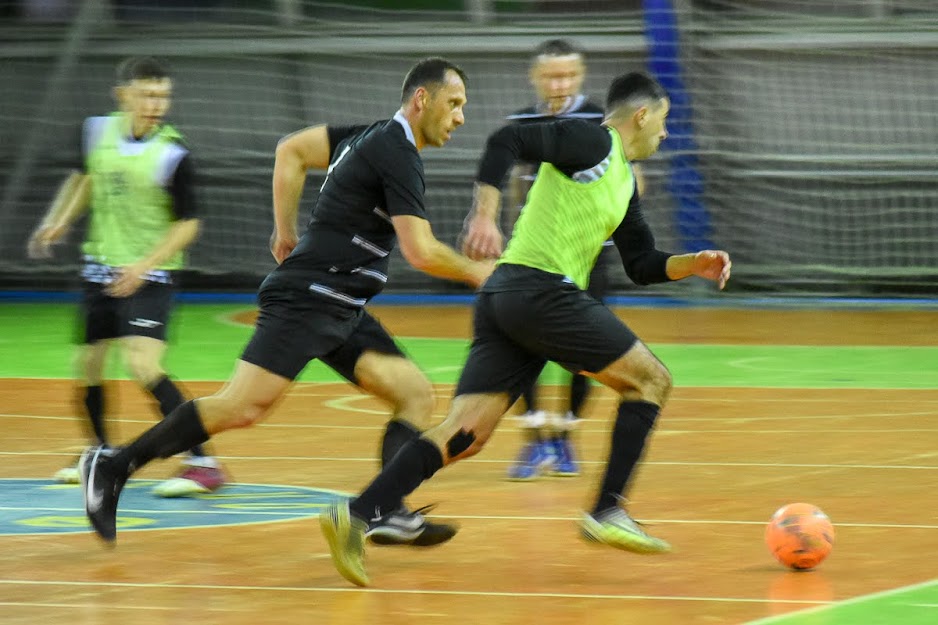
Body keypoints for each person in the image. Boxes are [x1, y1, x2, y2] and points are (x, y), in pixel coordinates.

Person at [320, 71, 732, 587]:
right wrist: (486, 214)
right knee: (651, 381)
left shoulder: (624, 182)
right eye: (665, 121)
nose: (666, 134)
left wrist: (692, 263)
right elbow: (507, 139)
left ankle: (357, 513)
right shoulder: (593, 140)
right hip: (541, 290)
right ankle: (608, 510)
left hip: (506, 299)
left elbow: (642, 262)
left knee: (464, 434)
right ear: (642, 115)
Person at [77, 57, 495, 547]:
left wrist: (285, 230)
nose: (461, 117)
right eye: (455, 103)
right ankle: (112, 465)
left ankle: (385, 510)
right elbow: (420, 251)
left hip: (341, 303)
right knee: (240, 407)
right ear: (421, 99)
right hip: (309, 299)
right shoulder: (396, 150)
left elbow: (292, 149)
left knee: (415, 394)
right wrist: (477, 273)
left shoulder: (366, 137)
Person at [27, 56, 226, 497]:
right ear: (124, 95)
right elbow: (85, 179)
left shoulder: (173, 154)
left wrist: (143, 265)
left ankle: (204, 463)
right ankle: (98, 454)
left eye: (163, 95)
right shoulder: (96, 131)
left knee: (143, 364)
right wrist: (58, 220)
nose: (157, 103)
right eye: (148, 94)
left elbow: (188, 225)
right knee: (88, 368)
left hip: (151, 274)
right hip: (101, 267)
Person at [501, 38, 648, 481]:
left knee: (584, 351)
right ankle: (532, 445)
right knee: (522, 345)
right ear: (535, 78)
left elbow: (632, 182)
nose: (559, 83)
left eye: (568, 75)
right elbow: (517, 184)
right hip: (536, 257)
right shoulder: (522, 123)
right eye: (551, 76)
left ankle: (564, 439)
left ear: (581, 77)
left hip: (588, 257)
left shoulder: (601, 123)